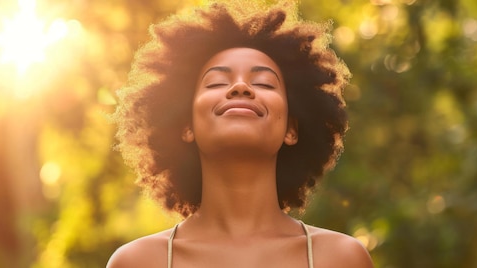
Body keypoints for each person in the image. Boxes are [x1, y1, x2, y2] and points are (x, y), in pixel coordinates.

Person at [107, 1, 374, 267]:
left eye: (264, 83)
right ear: (186, 125)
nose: (240, 87)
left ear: (291, 129)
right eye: (216, 82)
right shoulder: (137, 262)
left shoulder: (340, 258)